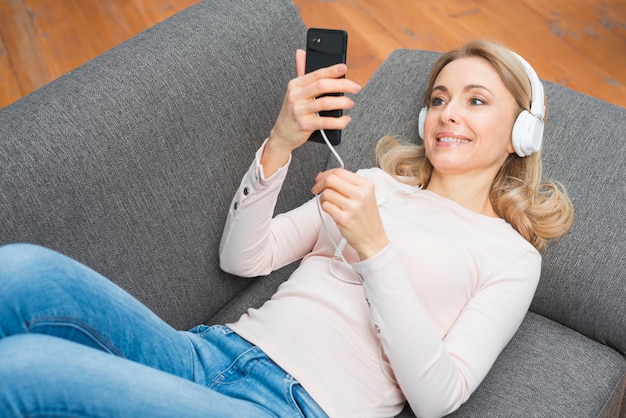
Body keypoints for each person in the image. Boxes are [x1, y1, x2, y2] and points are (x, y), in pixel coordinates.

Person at [0, 39, 573, 418]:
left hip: (295, 409)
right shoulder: (372, 182)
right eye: (439, 99)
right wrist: (279, 143)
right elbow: (245, 258)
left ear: (523, 131)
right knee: (20, 270)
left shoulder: (511, 257)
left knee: (26, 372)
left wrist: (376, 251)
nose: (449, 114)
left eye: (477, 101)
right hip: (210, 354)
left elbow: (437, 396)